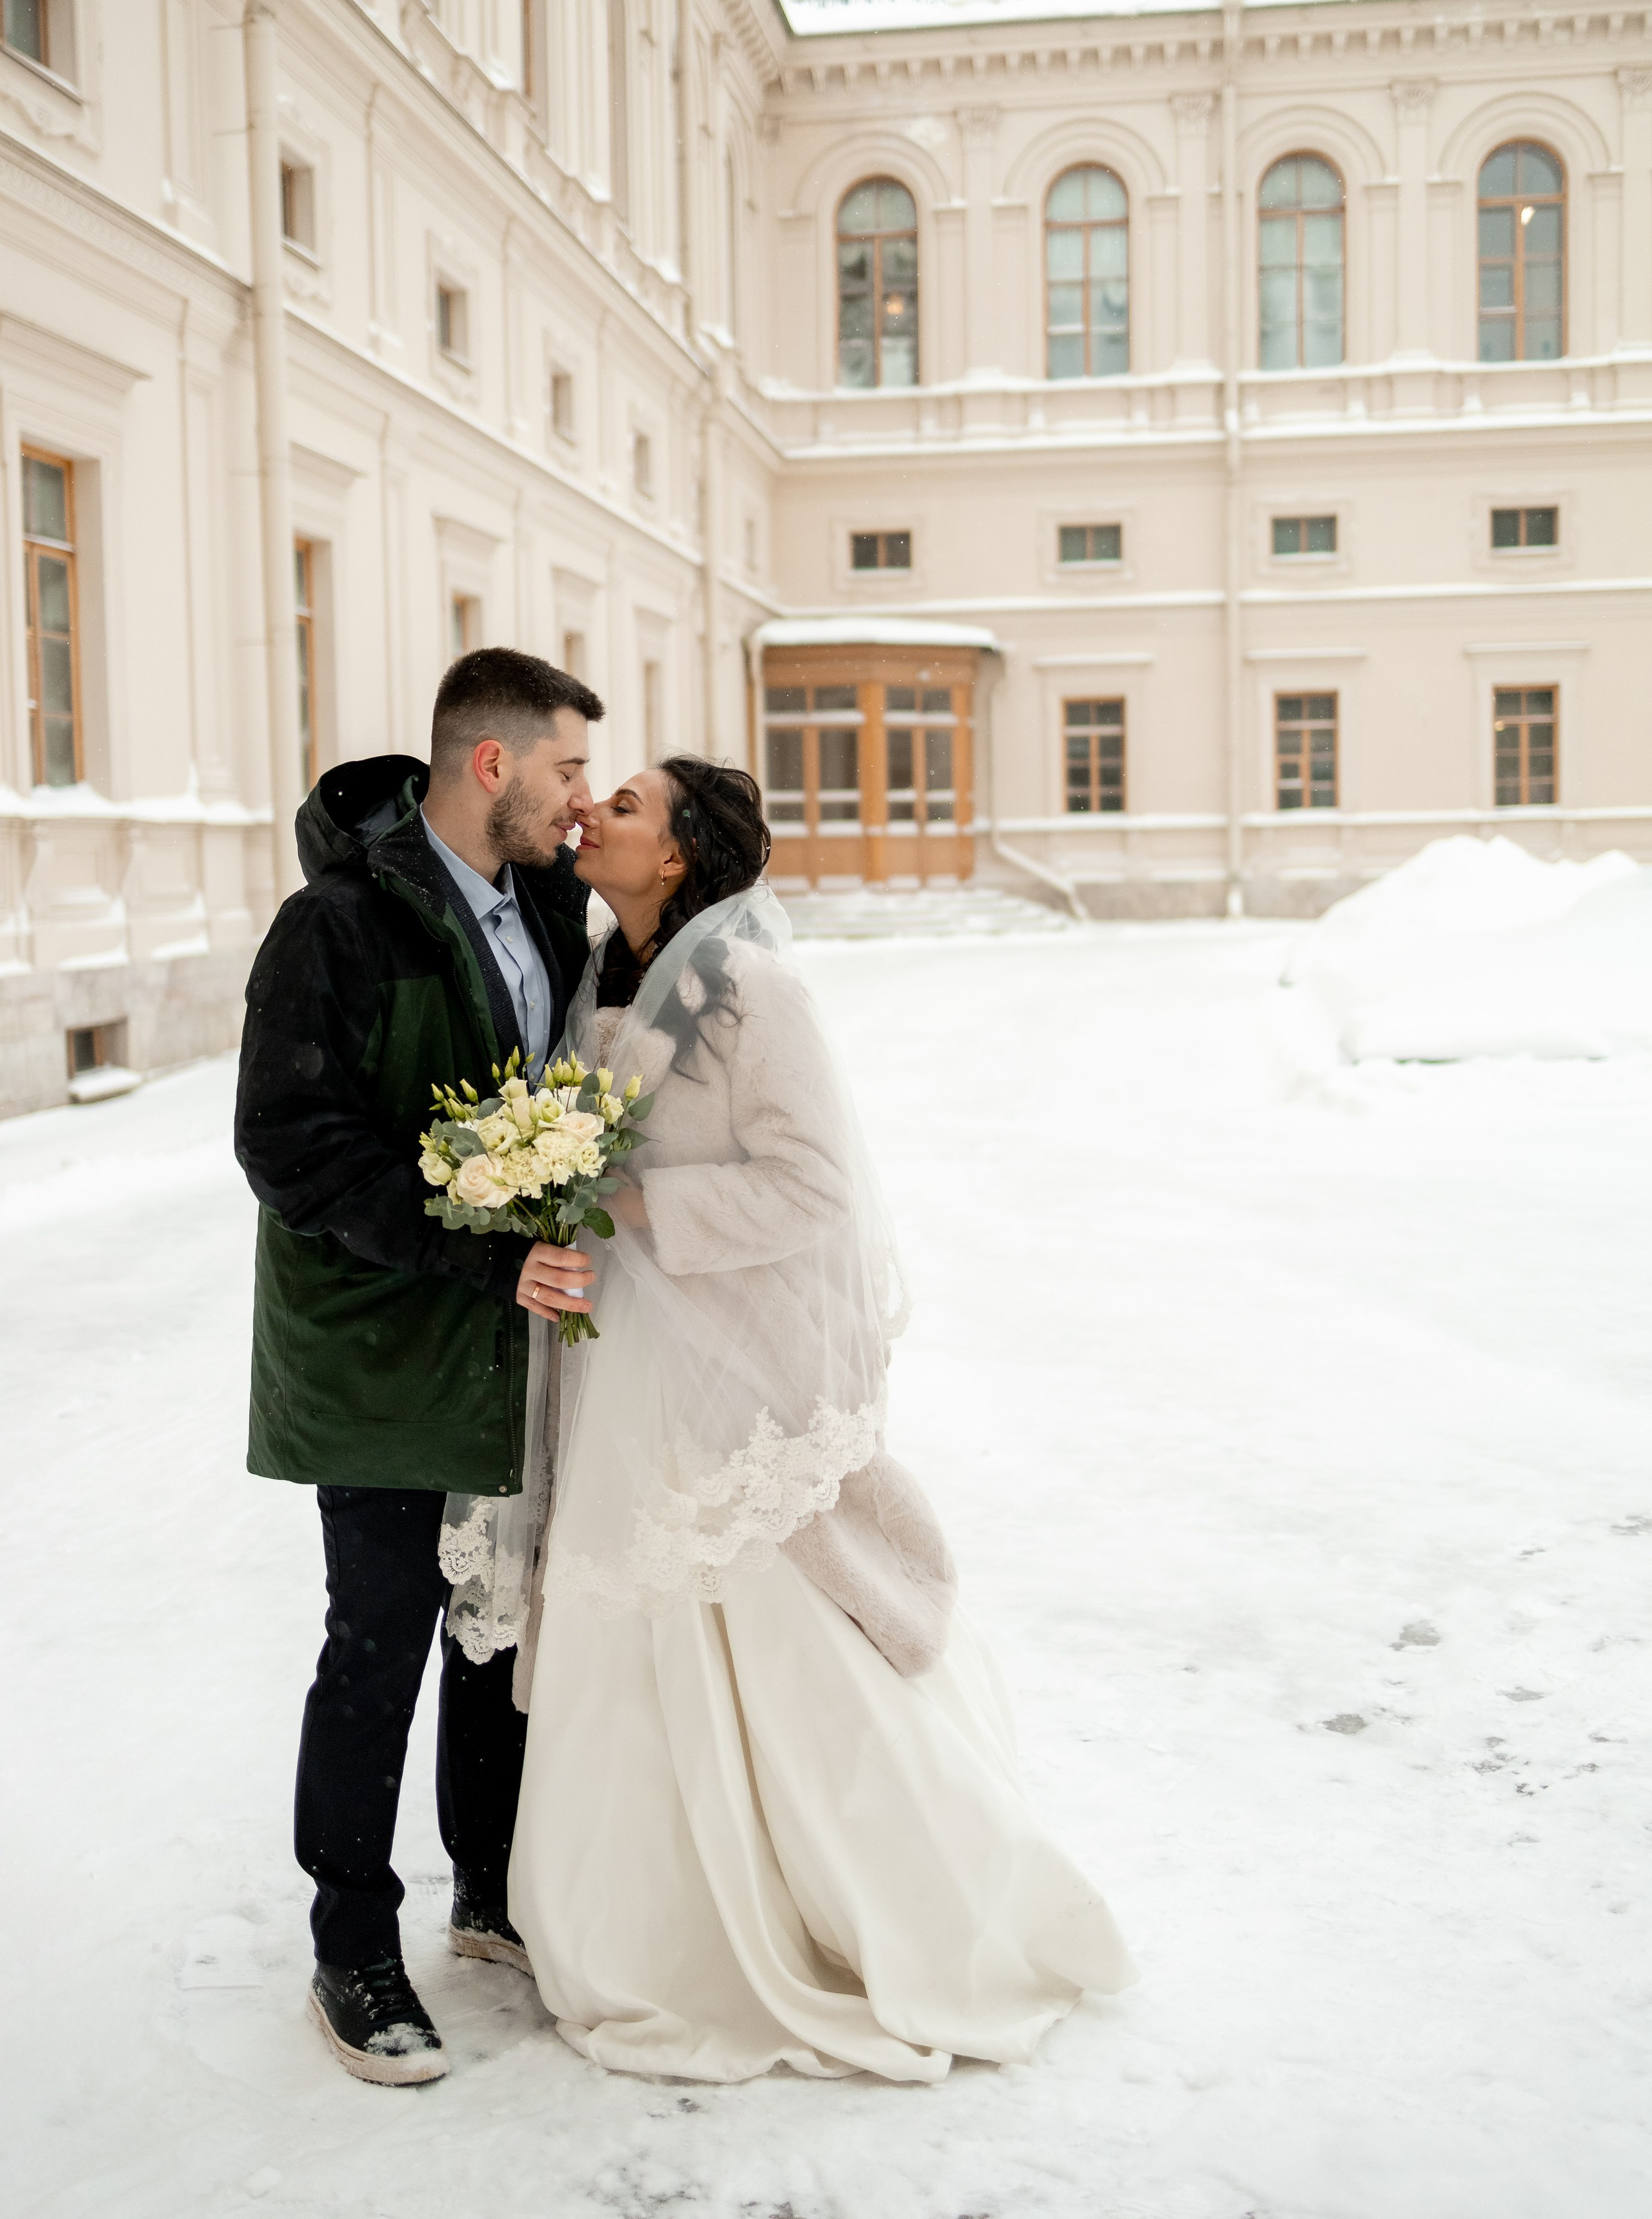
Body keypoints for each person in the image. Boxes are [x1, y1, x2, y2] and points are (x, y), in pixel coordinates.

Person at [450, 755, 1134, 2083]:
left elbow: (814, 1185)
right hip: (615, 1369)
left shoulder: (751, 989)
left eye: (629, 805)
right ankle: (639, 1925)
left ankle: (871, 1907)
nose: (595, 813)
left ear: (678, 860)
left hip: (720, 1371)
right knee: (622, 1631)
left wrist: (642, 1207)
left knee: (762, 1634)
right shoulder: (599, 975)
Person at [234, 647, 606, 2087]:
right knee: (378, 1643)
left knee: (494, 1631)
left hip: (516, 1350)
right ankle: (351, 1947)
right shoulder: (330, 926)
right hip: (381, 1354)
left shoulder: (552, 907)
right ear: (492, 765)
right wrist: (476, 1246)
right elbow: (289, 1146)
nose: (584, 799)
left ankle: (490, 1889)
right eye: (569, 769)